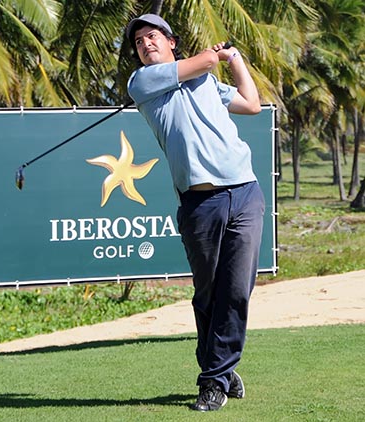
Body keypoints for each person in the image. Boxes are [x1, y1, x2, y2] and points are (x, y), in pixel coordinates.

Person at [125, 14, 265, 412]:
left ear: (171, 41)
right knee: (207, 295)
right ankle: (220, 367)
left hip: (245, 193)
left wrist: (234, 58)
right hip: (200, 204)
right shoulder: (143, 83)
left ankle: (214, 379)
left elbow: (252, 104)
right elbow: (202, 61)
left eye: (153, 37)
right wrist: (214, 55)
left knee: (236, 291)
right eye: (139, 42)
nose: (146, 44)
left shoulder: (206, 82)